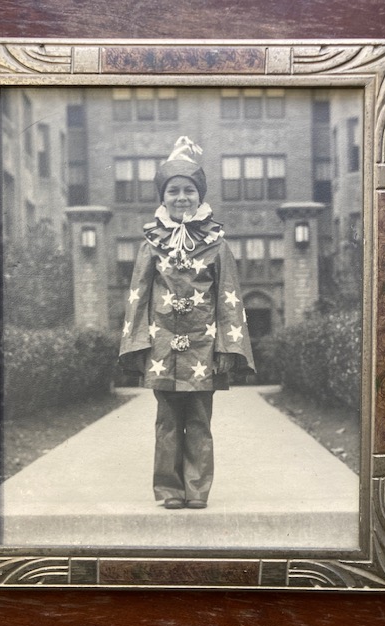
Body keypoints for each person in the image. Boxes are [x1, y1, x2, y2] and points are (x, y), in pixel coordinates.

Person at [119, 136, 255, 510]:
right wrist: (138, 346)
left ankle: (197, 489)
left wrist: (227, 347)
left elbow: (229, 298)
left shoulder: (216, 244)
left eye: (189, 191)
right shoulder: (151, 243)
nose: (181, 198)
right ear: (163, 198)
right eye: (174, 191)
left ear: (200, 196)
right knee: (166, 421)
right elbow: (138, 298)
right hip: (162, 348)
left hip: (202, 348)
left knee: (198, 419)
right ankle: (169, 490)